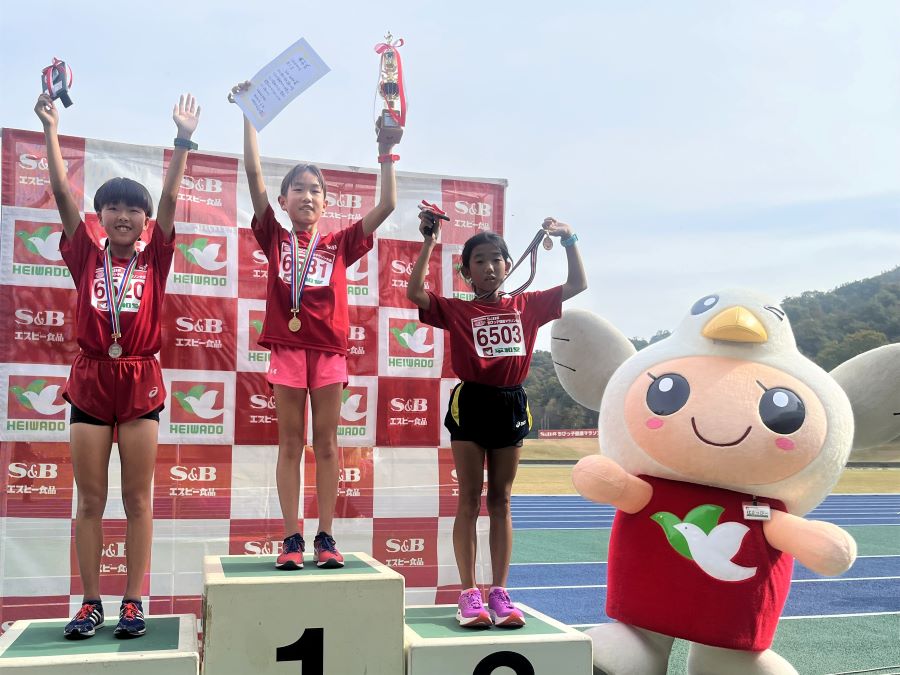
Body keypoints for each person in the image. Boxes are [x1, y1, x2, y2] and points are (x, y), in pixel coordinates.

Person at [34, 92, 201, 638]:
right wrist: (52, 129)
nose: (124, 215)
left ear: (146, 220)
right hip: (89, 380)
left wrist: (181, 140)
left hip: (139, 379)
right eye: (114, 208)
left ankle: (132, 600)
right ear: (101, 216)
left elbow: (173, 197)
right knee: (89, 499)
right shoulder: (85, 252)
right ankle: (89, 602)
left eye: (134, 209)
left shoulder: (156, 257)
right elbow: (61, 191)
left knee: (137, 499)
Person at [230, 81, 398, 570]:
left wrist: (386, 152)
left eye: (316, 190)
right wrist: (249, 118)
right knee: (289, 443)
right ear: (283, 201)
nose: (307, 195)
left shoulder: (339, 245)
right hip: (286, 347)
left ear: (326, 203)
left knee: (326, 444)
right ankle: (291, 538)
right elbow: (253, 174)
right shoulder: (275, 237)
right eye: (298, 189)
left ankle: (325, 535)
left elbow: (386, 207)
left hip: (328, 352)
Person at [407, 214, 586, 627]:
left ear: (509, 265)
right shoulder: (455, 309)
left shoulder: (529, 304)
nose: (489, 267)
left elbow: (578, 284)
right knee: (469, 498)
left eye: (497, 259)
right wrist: (430, 242)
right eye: (479, 261)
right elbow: (416, 292)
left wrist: (569, 239)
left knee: (501, 501)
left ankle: (501, 594)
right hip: (470, 403)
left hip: (510, 404)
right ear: (466, 271)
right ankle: (469, 595)